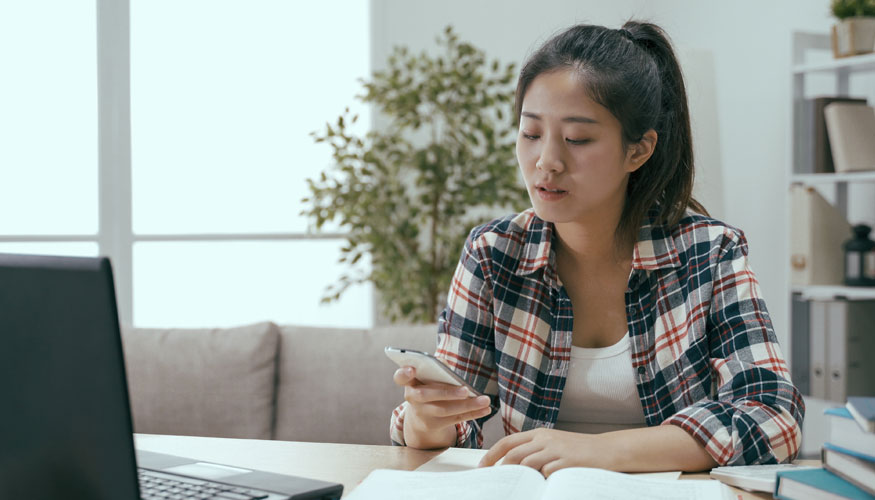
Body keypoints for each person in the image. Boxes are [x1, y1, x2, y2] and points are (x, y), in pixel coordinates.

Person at [390, 20, 805, 476]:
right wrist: (426, 422)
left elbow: (774, 415)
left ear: (638, 150)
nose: (546, 161)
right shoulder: (493, 254)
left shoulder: (708, 252)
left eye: (577, 139)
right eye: (531, 134)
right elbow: (453, 426)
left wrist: (603, 451)